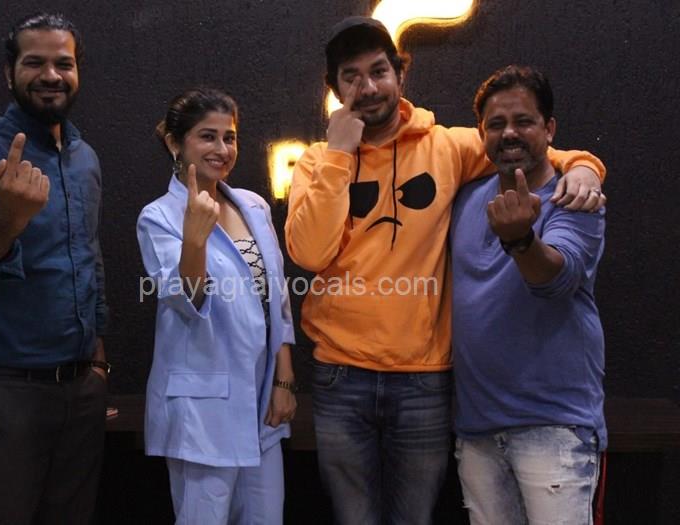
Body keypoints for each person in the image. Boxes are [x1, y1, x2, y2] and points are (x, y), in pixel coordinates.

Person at [284, 16, 607, 525]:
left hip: (423, 380)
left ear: (400, 74)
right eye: (351, 76)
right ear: (334, 88)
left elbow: (525, 145)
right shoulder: (316, 162)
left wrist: (585, 164)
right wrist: (340, 155)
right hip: (340, 376)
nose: (368, 87)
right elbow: (309, 253)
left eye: (378, 71)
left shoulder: (447, 146)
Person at [0, 13, 109, 524]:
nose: (51, 75)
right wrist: (10, 217)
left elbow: (88, 255)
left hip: (80, 391)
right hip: (7, 392)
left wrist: (97, 360)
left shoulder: (84, 157)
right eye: (34, 62)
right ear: (9, 73)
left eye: (64, 63)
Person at [450, 65, 605, 525]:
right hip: (477, 428)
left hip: (554, 425)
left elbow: (555, 279)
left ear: (549, 129)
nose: (509, 133)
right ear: (482, 133)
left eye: (524, 121)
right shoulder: (466, 198)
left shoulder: (574, 198)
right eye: (496, 124)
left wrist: (520, 240)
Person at [137, 88, 297, 525]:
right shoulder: (158, 217)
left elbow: (277, 297)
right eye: (207, 136)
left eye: (230, 137)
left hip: (261, 402)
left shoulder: (254, 206)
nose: (222, 149)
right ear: (176, 143)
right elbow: (186, 301)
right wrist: (194, 238)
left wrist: (284, 379)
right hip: (201, 410)